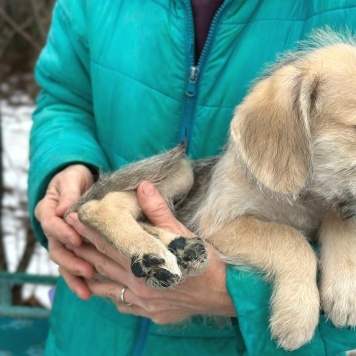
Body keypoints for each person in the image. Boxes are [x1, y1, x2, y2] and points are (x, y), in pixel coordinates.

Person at [29, 1, 356, 355]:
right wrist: (66, 161)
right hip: (93, 329)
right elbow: (65, 97)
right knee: (177, 174)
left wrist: (239, 292)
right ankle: (122, 220)